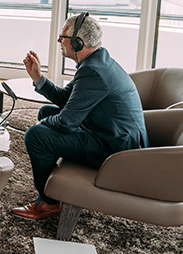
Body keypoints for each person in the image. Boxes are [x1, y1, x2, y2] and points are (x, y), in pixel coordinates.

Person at [11, 12, 149, 220]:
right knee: (46, 113)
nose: (59, 40)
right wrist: (38, 78)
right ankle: (56, 179)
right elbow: (66, 99)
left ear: (78, 42)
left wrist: (45, 126)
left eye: (62, 37)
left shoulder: (93, 70)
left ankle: (49, 202)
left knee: (36, 135)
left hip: (115, 150)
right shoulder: (96, 62)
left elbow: (67, 122)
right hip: (108, 133)